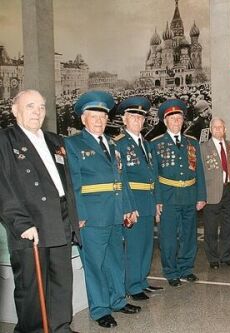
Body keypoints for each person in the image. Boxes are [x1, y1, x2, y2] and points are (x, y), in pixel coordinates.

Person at [0, 89, 80, 332]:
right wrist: (20, 223)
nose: (37, 112)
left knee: (61, 281)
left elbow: (67, 184)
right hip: (31, 224)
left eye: (41, 107)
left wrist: (75, 220)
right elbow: (2, 186)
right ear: (15, 110)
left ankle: (60, 327)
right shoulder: (6, 139)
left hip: (61, 219)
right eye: (30, 106)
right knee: (32, 289)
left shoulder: (56, 141)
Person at [65, 91, 141, 328]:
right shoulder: (73, 144)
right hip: (92, 216)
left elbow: (122, 178)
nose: (99, 121)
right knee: (95, 265)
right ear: (83, 120)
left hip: (115, 213)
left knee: (115, 261)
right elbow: (73, 185)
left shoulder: (112, 143)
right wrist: (80, 216)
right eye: (94, 117)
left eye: (103, 117)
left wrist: (128, 208)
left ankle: (117, 300)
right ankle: (100, 309)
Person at [151, 99, 207, 287]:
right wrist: (157, 200)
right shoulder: (156, 144)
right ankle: (171, 271)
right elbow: (154, 175)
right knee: (168, 237)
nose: (177, 122)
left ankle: (186, 268)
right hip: (168, 196)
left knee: (189, 235)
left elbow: (199, 171)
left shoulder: (191, 142)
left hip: (190, 195)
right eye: (172, 119)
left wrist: (201, 196)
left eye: (179, 118)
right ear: (165, 122)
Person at [114, 96, 163, 301]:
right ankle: (132, 286)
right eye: (133, 117)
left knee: (146, 244)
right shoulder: (119, 144)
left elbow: (155, 174)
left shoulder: (147, 144)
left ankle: (142, 280)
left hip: (148, 200)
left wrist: (158, 201)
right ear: (124, 120)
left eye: (141, 118)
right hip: (133, 200)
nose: (138, 121)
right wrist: (128, 206)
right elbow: (121, 177)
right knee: (133, 246)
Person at [200, 117, 230, 269]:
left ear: (225, 130)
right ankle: (213, 259)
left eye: (220, 127)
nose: (217, 130)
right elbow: (200, 174)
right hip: (211, 192)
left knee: (229, 226)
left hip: (229, 190)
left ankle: (227, 256)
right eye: (215, 127)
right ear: (210, 130)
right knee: (210, 228)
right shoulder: (203, 148)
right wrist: (201, 195)